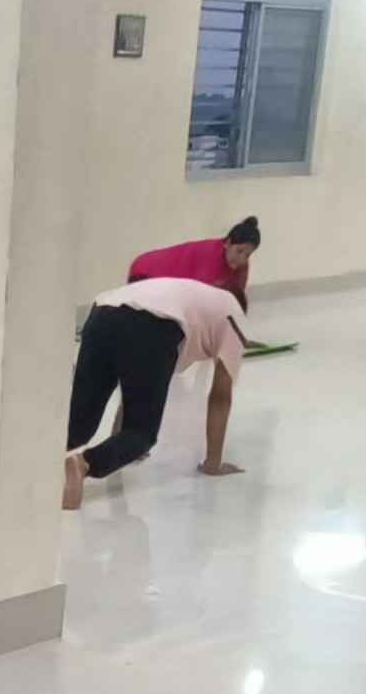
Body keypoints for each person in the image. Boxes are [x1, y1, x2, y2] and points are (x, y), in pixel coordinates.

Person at [66, 277, 251, 509]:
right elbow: (221, 396)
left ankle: (32, 457)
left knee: (78, 426)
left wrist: (120, 443)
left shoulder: (189, 303)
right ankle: (83, 464)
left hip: (102, 312)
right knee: (142, 433)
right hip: (149, 323)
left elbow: (138, 384)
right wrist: (213, 463)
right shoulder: (234, 314)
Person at [126, 217, 259, 306]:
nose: (242, 259)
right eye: (239, 251)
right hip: (145, 272)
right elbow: (198, 304)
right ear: (228, 243)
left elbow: (236, 303)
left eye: (247, 255)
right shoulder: (209, 256)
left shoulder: (242, 266)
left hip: (172, 287)